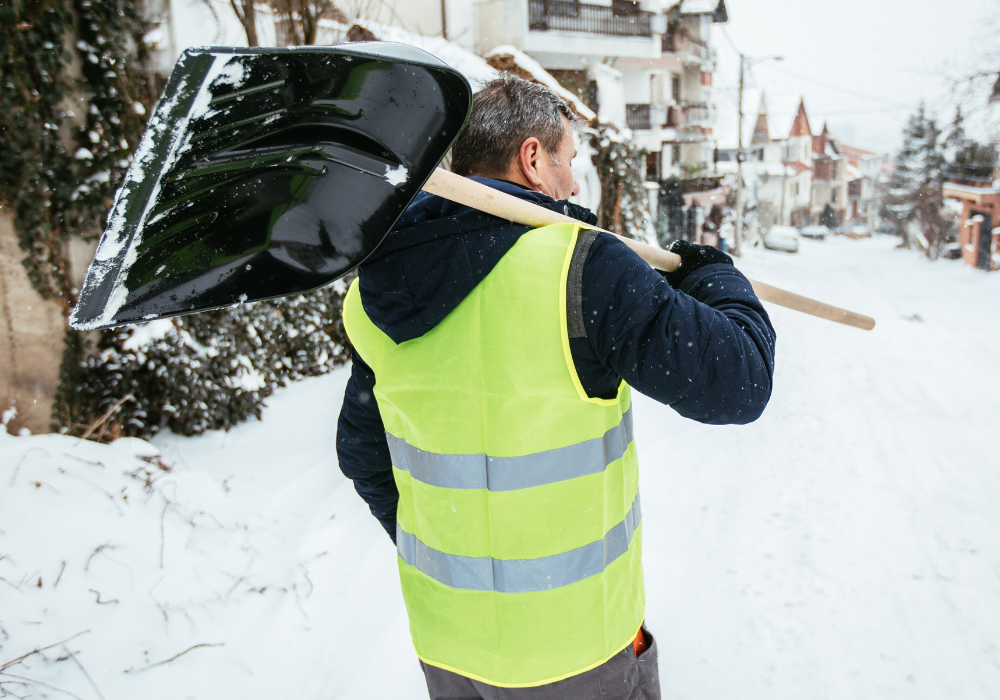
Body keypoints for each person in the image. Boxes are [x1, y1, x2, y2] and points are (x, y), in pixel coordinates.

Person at [337, 75, 776, 700]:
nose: (573, 185)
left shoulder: (375, 292)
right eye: (569, 162)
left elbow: (360, 451)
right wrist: (717, 278)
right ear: (534, 159)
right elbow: (741, 380)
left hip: (449, 648)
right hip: (575, 654)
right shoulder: (583, 268)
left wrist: (447, 554)